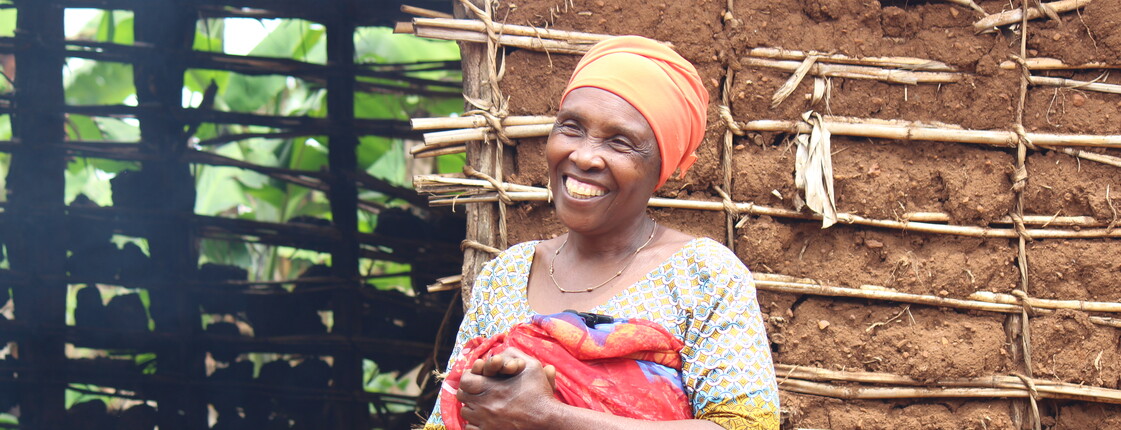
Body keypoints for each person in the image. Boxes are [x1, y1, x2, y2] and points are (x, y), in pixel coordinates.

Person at [423, 35, 779, 430]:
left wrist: (547, 414)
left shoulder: (704, 276)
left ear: (659, 168)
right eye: (571, 127)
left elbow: (744, 427)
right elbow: (445, 419)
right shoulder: (505, 275)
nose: (584, 156)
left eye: (620, 142)